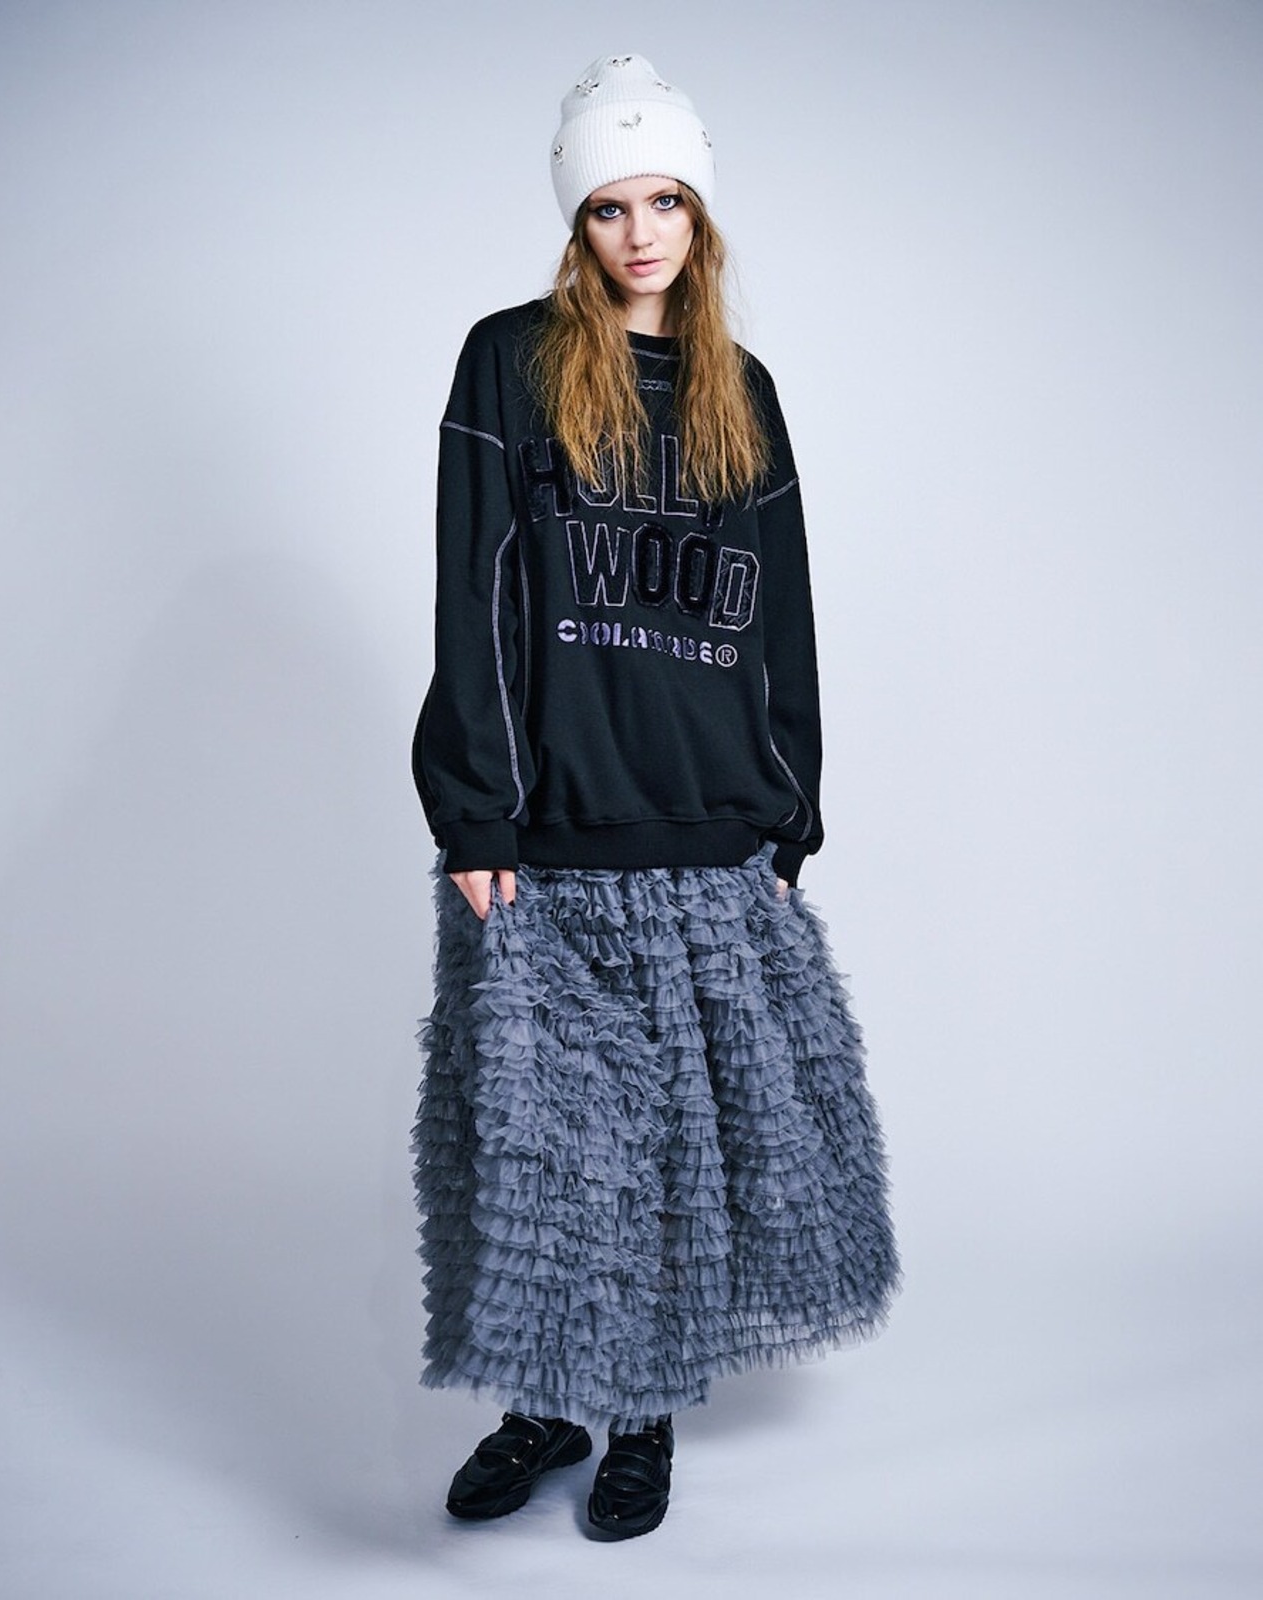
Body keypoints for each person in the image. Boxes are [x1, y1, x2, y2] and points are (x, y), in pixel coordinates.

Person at [411, 53, 899, 1541]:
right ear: (578, 222)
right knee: (552, 1150)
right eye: (611, 207)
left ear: (701, 212)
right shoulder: (508, 363)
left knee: (678, 1153)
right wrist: (476, 811)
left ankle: (642, 1420)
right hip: (550, 838)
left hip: (707, 833)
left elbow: (783, 615)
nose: (641, 234)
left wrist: (791, 807)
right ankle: (545, 1405)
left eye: (666, 200)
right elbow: (476, 592)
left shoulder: (745, 390)